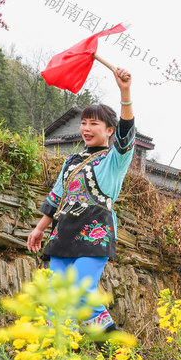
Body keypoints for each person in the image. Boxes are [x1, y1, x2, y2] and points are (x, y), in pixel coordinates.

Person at [27, 65, 136, 331]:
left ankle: (114, 348)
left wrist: (125, 92)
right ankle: (62, 358)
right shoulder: (71, 161)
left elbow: (126, 135)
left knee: (80, 293)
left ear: (109, 130)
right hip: (62, 234)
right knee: (57, 300)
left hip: (94, 233)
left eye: (94, 123)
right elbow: (57, 196)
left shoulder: (114, 160)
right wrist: (40, 228)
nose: (86, 128)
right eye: (84, 123)